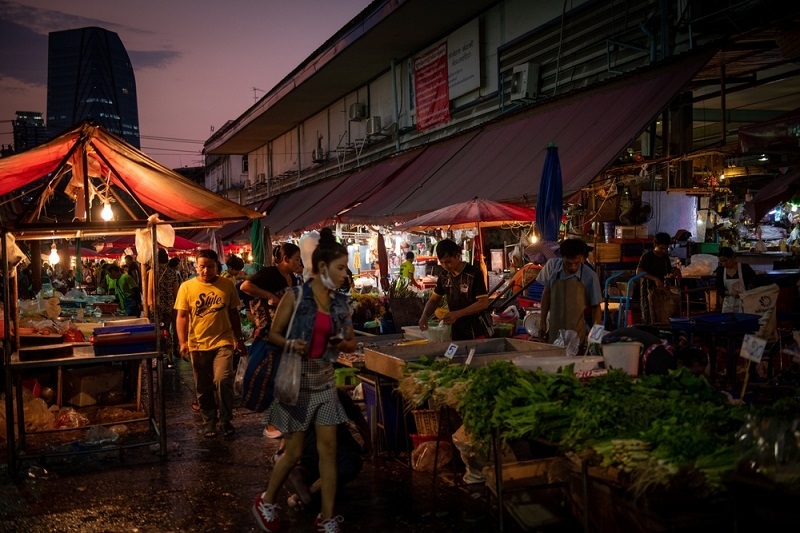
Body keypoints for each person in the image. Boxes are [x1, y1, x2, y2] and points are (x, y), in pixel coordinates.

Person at [252, 227, 355, 533]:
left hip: (324, 383)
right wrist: (291, 344)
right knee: (295, 451)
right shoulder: (293, 297)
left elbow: (350, 343)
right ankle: (266, 500)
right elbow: (273, 334)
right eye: (339, 267)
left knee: (329, 451)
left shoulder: (339, 303)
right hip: (295, 385)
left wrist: (337, 343)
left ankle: (326, 517)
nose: (343, 274)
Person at [174, 249, 246, 439]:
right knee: (203, 386)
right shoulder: (187, 287)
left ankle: (226, 419)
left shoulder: (227, 285)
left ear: (217, 266)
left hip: (223, 341)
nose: (205, 271)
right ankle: (209, 422)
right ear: (196, 266)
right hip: (198, 344)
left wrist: (238, 339)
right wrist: (182, 342)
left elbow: (233, 314)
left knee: (223, 380)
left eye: (210, 267)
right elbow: (181, 316)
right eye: (202, 267)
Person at [282, 389, 371, 512]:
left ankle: (303, 484)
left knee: (308, 467)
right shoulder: (336, 393)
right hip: (337, 449)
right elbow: (357, 417)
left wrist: (283, 450)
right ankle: (310, 493)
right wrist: (369, 443)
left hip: (310, 449)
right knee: (350, 464)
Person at [418, 239, 490, 341]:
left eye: (448, 262)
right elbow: (434, 299)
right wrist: (424, 316)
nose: (445, 266)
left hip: (476, 328)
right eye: (442, 262)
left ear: (457, 256)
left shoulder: (473, 274)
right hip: (455, 330)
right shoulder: (444, 276)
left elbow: (483, 303)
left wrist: (457, 314)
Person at [537, 238, 603, 346]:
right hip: (554, 331)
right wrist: (542, 322)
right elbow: (547, 293)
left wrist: (596, 339)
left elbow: (596, 308)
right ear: (562, 257)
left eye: (576, 263)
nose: (573, 267)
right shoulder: (552, 267)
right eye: (568, 263)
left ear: (581, 257)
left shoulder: (590, 276)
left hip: (577, 335)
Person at [240, 242, 303, 339]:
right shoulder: (270, 273)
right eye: (297, 259)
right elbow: (245, 286)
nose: (299, 263)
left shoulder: (292, 277)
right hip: (269, 329)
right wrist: (269, 296)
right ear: (286, 259)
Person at [636, 232, 681, 323]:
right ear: (655, 245)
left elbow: (668, 271)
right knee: (649, 317)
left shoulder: (665, 257)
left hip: (660, 292)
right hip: (647, 292)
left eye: (666, 248)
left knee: (661, 317)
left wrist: (675, 271)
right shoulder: (647, 257)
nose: (664, 251)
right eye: (661, 248)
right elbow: (638, 272)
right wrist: (655, 279)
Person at [148, 249, 180, 368]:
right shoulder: (172, 272)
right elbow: (176, 292)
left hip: (156, 307)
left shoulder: (152, 272)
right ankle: (170, 358)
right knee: (167, 331)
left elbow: (149, 291)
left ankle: (157, 357)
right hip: (169, 306)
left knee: (156, 332)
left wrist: (150, 305)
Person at [715, 246, 757, 313]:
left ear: (733, 257)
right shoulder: (721, 270)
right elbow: (719, 288)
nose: (724, 263)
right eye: (721, 261)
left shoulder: (744, 268)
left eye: (726, 260)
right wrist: (729, 293)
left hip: (745, 303)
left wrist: (747, 293)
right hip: (728, 305)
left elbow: (755, 282)